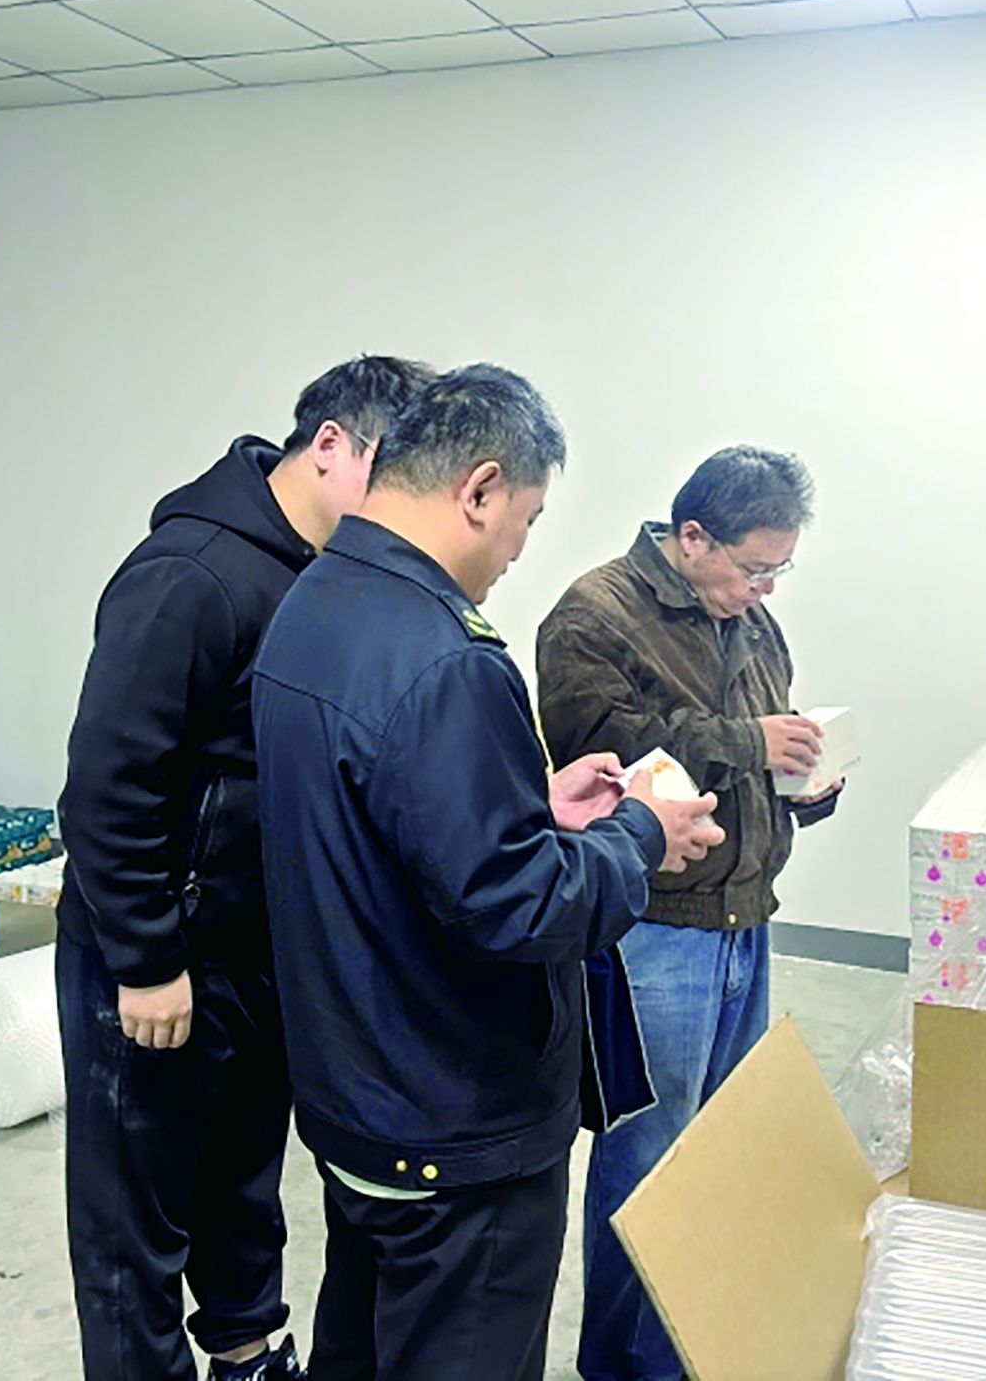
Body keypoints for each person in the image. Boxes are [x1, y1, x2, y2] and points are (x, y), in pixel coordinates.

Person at [251, 364, 726, 1381]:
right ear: (479, 488)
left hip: (357, 1095)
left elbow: (376, 816)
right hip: (456, 1123)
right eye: (527, 518)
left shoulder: (317, 603)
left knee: (362, 1347)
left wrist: (529, 805)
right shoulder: (447, 656)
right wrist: (640, 833)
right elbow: (522, 907)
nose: (518, 550)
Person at [55, 356, 433, 1381]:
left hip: (263, 949)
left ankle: (248, 1354)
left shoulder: (333, 580)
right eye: (395, 476)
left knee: (241, 1180)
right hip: (160, 956)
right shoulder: (192, 574)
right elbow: (107, 786)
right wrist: (146, 959)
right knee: (134, 1220)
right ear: (330, 446)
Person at [534, 444, 843, 1381]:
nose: (765, 590)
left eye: (780, 570)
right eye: (754, 568)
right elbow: (605, 749)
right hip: (655, 930)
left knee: (715, 1155)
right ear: (694, 536)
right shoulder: (595, 616)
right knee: (648, 1159)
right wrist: (751, 743)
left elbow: (758, 744)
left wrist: (802, 780)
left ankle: (681, 1349)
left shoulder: (750, 621)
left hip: (744, 918)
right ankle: (621, 1366)